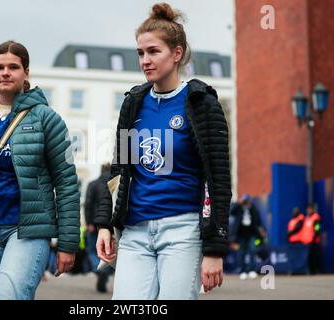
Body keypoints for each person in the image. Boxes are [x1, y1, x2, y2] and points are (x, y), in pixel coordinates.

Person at [94, 3, 232, 300]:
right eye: (140, 53)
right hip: (134, 233)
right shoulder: (133, 103)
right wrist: (105, 225)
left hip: (182, 232)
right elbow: (119, 170)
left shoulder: (201, 103)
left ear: (177, 53)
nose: (145, 60)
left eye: (154, 51)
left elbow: (218, 180)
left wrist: (214, 249)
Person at [0, 40, 80, 300]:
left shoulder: (47, 119)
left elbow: (66, 183)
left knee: (9, 296)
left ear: (26, 72)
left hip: (27, 231)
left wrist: (68, 244)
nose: (5, 72)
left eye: (13, 67)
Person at [85, 164, 114, 293]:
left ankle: (100, 270)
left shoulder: (93, 184)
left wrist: (89, 223)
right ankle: (105, 271)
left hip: (94, 223)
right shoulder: (115, 182)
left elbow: (88, 204)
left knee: (92, 250)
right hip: (111, 224)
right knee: (108, 251)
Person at [230, 194, 266, 280]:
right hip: (241, 234)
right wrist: (239, 203)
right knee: (241, 252)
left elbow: (258, 220)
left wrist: (262, 230)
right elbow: (231, 212)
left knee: (252, 251)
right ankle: (242, 271)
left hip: (252, 233)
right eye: (244, 201)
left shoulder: (253, 208)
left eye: (247, 201)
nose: (246, 203)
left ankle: (252, 270)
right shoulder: (239, 207)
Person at [302, 204, 321, 274]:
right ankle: (310, 270)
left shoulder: (315, 217)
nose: (308, 210)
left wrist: (315, 236)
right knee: (309, 257)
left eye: (310, 209)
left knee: (314, 257)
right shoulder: (307, 218)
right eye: (308, 209)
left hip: (313, 241)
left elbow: (317, 228)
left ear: (312, 209)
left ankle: (315, 270)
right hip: (307, 242)